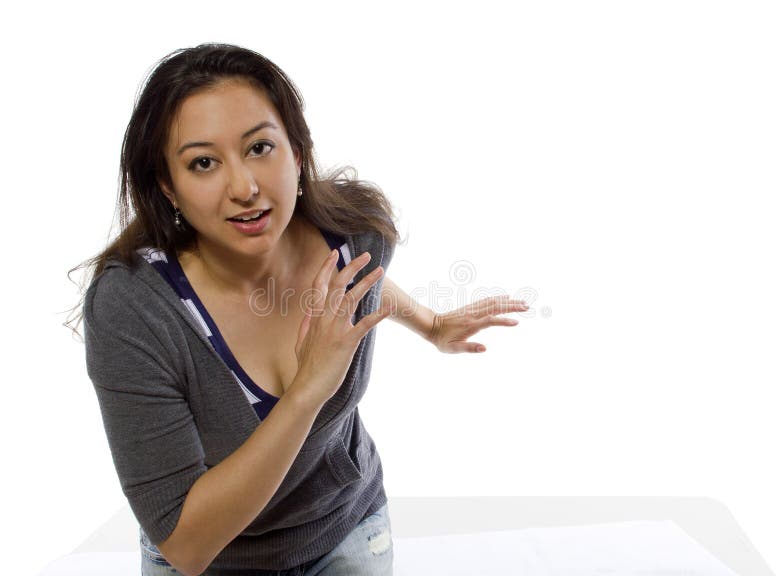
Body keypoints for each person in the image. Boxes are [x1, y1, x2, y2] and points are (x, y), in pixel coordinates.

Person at [69, 43, 528, 575]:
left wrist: (431, 325)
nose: (244, 187)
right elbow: (185, 546)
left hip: (347, 534)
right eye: (203, 162)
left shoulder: (353, 233)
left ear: (297, 150)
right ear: (168, 187)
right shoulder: (135, 310)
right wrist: (310, 388)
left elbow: (356, 281)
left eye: (260, 148)